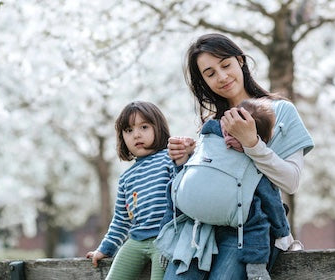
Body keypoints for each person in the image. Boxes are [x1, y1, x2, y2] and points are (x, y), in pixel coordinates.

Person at [156, 33, 314, 280]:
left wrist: (252, 143)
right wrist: (184, 160)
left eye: (225, 65)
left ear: (240, 61)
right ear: (204, 82)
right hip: (199, 230)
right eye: (210, 73)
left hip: (250, 232)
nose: (221, 76)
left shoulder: (280, 112)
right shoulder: (211, 126)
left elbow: (290, 181)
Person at [163, 98, 288, 280]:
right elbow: (189, 178)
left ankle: (256, 265)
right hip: (195, 226)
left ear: (257, 138)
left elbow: (271, 199)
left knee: (257, 219)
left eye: (237, 137)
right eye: (227, 132)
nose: (228, 139)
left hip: (240, 229)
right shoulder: (209, 142)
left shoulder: (255, 160)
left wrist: (282, 231)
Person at [86, 101, 174, 280]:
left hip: (165, 239)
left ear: (159, 128)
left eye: (144, 127)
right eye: (129, 130)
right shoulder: (127, 177)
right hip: (136, 240)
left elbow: (183, 193)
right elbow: (121, 219)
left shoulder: (170, 158)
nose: (137, 135)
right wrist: (105, 249)